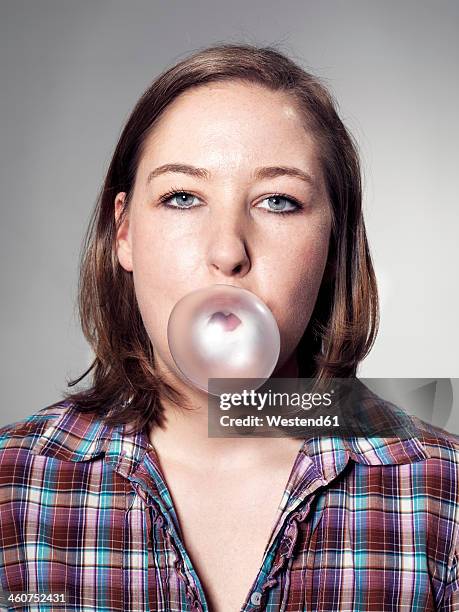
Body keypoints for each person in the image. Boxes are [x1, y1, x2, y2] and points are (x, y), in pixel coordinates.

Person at [0, 42, 458, 612]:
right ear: (124, 234)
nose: (227, 252)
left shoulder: (443, 492)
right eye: (183, 196)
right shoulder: (13, 485)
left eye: (278, 201)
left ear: (334, 245)